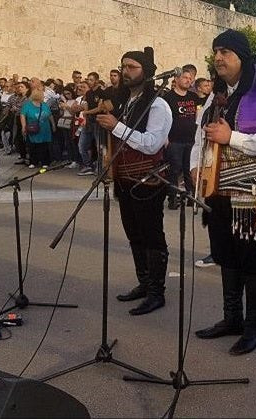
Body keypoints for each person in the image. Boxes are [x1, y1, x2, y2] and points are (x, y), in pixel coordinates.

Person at [190, 29, 256, 355]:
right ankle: (231, 318)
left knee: (251, 259)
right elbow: (200, 137)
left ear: (242, 58)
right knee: (225, 255)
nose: (219, 57)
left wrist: (232, 138)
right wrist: (194, 167)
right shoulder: (214, 96)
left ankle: (254, 327)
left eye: (226, 52)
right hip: (217, 190)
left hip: (250, 194)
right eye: (216, 51)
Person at [99, 47, 174, 315]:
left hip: (148, 180)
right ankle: (144, 283)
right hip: (125, 179)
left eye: (132, 67)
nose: (125, 71)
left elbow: (152, 145)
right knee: (134, 234)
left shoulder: (158, 105)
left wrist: (116, 126)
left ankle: (157, 292)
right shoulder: (126, 103)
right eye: (123, 66)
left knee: (152, 236)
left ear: (147, 72)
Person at [162, 66, 199, 210]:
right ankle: (173, 198)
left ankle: (190, 196)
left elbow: (197, 115)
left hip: (191, 139)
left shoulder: (193, 97)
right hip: (174, 140)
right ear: (176, 79)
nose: (188, 80)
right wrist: (165, 138)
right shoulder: (168, 98)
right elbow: (164, 119)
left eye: (190, 79)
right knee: (174, 170)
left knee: (189, 169)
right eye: (185, 77)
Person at [20, 89, 55, 168]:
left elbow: (50, 115)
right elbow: (22, 115)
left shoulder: (44, 105)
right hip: (33, 128)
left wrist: (53, 125)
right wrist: (23, 126)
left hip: (44, 129)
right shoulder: (27, 105)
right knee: (33, 145)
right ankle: (33, 161)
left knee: (44, 145)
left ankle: (45, 162)